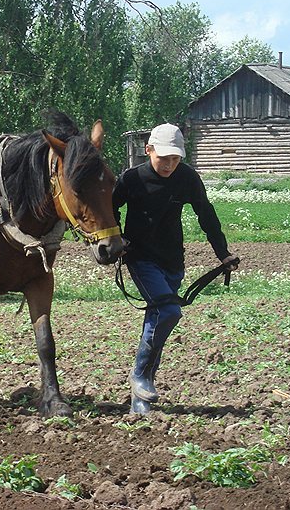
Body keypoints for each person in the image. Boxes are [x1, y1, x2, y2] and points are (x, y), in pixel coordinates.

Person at [112, 123, 238, 415]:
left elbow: (206, 214)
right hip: (140, 258)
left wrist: (223, 253)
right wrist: (119, 238)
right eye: (163, 158)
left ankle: (140, 400)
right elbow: (109, 209)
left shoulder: (187, 178)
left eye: (175, 158)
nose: (169, 164)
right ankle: (141, 375)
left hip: (172, 259)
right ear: (148, 150)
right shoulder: (131, 179)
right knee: (168, 312)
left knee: (158, 320)